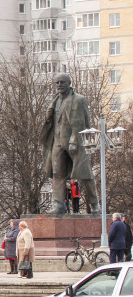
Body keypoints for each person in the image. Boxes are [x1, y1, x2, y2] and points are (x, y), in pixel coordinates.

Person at [41, 73, 100, 214]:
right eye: (57, 83)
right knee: (57, 173)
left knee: (85, 173)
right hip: (57, 142)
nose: (59, 85)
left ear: (69, 83)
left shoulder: (79, 100)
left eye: (62, 82)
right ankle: (58, 205)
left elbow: (84, 122)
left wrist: (75, 139)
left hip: (75, 142)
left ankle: (95, 204)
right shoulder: (55, 101)